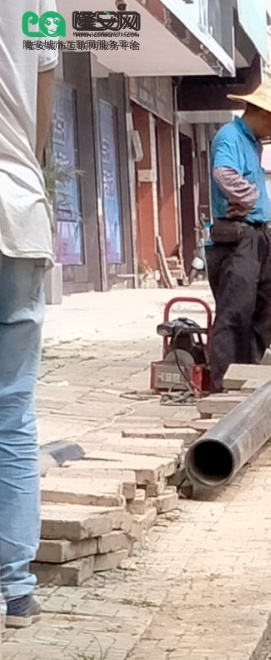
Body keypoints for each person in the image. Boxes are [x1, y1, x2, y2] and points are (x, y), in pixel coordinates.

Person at [0, 13, 58, 628]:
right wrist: (26, 168)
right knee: (12, 412)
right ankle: (15, 591)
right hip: (18, 207)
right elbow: (45, 79)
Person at [207, 82, 271, 393]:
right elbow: (224, 173)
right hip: (237, 238)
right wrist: (248, 197)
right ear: (263, 114)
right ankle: (224, 385)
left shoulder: (253, 144)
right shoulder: (230, 137)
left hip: (256, 235)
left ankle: (249, 376)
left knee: (261, 311)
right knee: (235, 314)